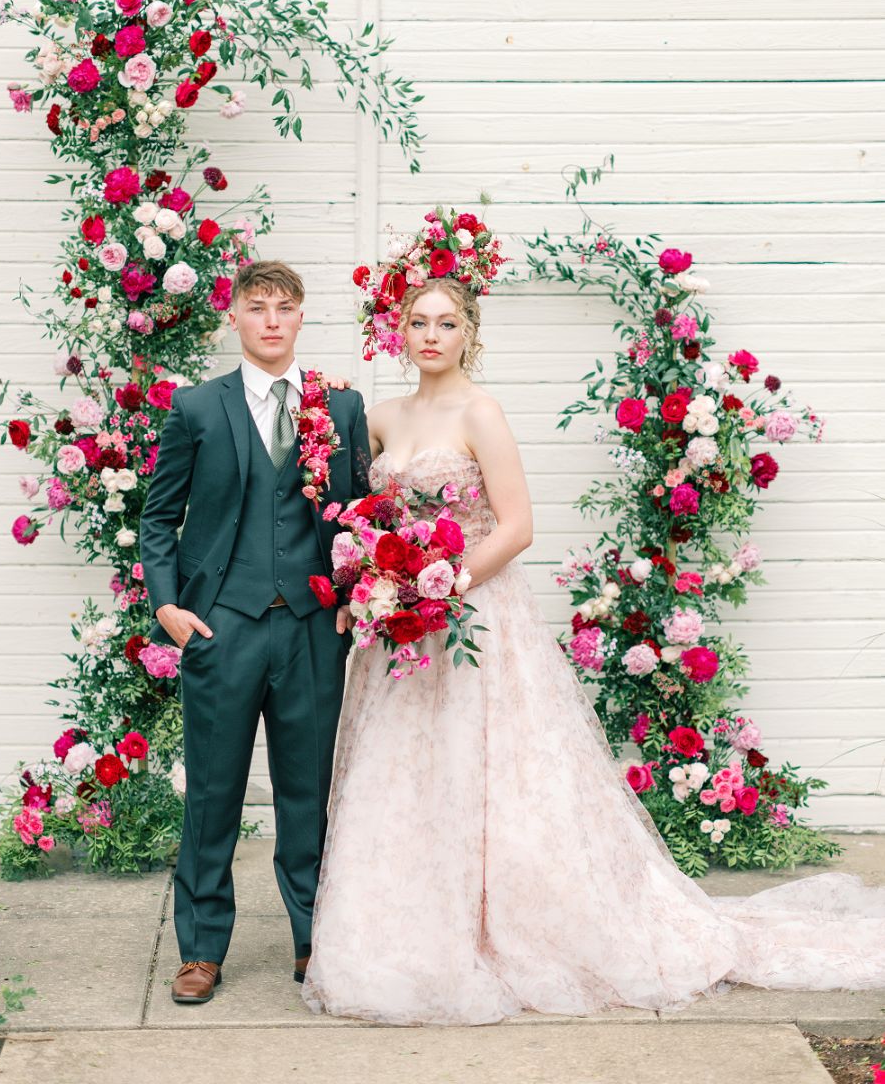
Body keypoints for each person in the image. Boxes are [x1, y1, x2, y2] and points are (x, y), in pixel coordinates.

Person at [301, 210, 885, 1026]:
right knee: (406, 778)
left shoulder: (482, 414)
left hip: (471, 618)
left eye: (448, 323)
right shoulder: (383, 418)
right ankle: (408, 930)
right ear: (398, 330)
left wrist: (443, 586)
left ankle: (518, 922)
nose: (431, 334)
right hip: (404, 632)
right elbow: (363, 515)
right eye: (418, 321)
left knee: (496, 774)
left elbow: (516, 526)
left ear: (470, 334)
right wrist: (382, 585)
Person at [140, 259, 370, 1003]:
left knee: (307, 793)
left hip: (310, 631)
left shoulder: (339, 408)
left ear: (302, 318)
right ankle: (202, 949)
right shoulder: (197, 408)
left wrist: (352, 593)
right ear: (233, 317)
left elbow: (360, 513)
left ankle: (314, 941)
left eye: (285, 307)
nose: (271, 319)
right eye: (257, 306)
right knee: (213, 794)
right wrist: (169, 607)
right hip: (222, 629)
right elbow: (157, 516)